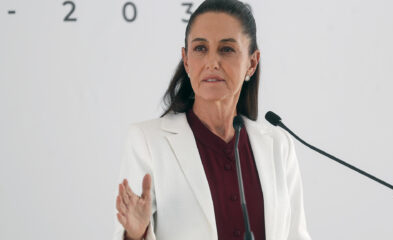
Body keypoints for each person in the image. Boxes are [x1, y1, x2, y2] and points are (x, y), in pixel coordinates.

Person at [112, 0, 311, 239]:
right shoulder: (147, 142)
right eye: (200, 49)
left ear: (252, 62)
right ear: (186, 60)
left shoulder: (279, 145)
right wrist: (136, 234)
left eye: (226, 49)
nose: (212, 62)